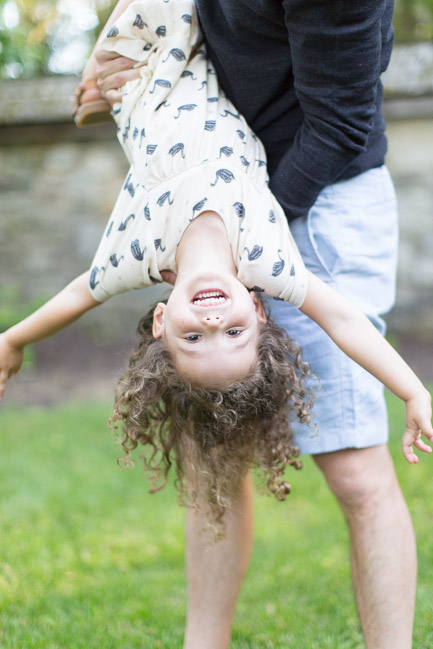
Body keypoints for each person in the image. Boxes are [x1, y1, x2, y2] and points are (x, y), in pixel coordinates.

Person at [1, 1, 431, 647]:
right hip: (198, 100)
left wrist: (12, 339)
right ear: (254, 309)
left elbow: (74, 295)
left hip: (313, 189)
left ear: (159, 315)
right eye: (226, 331)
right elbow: (335, 316)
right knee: (211, 454)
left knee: (353, 465)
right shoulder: (252, 266)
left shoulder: (142, 252)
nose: (210, 319)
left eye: (199, 333)